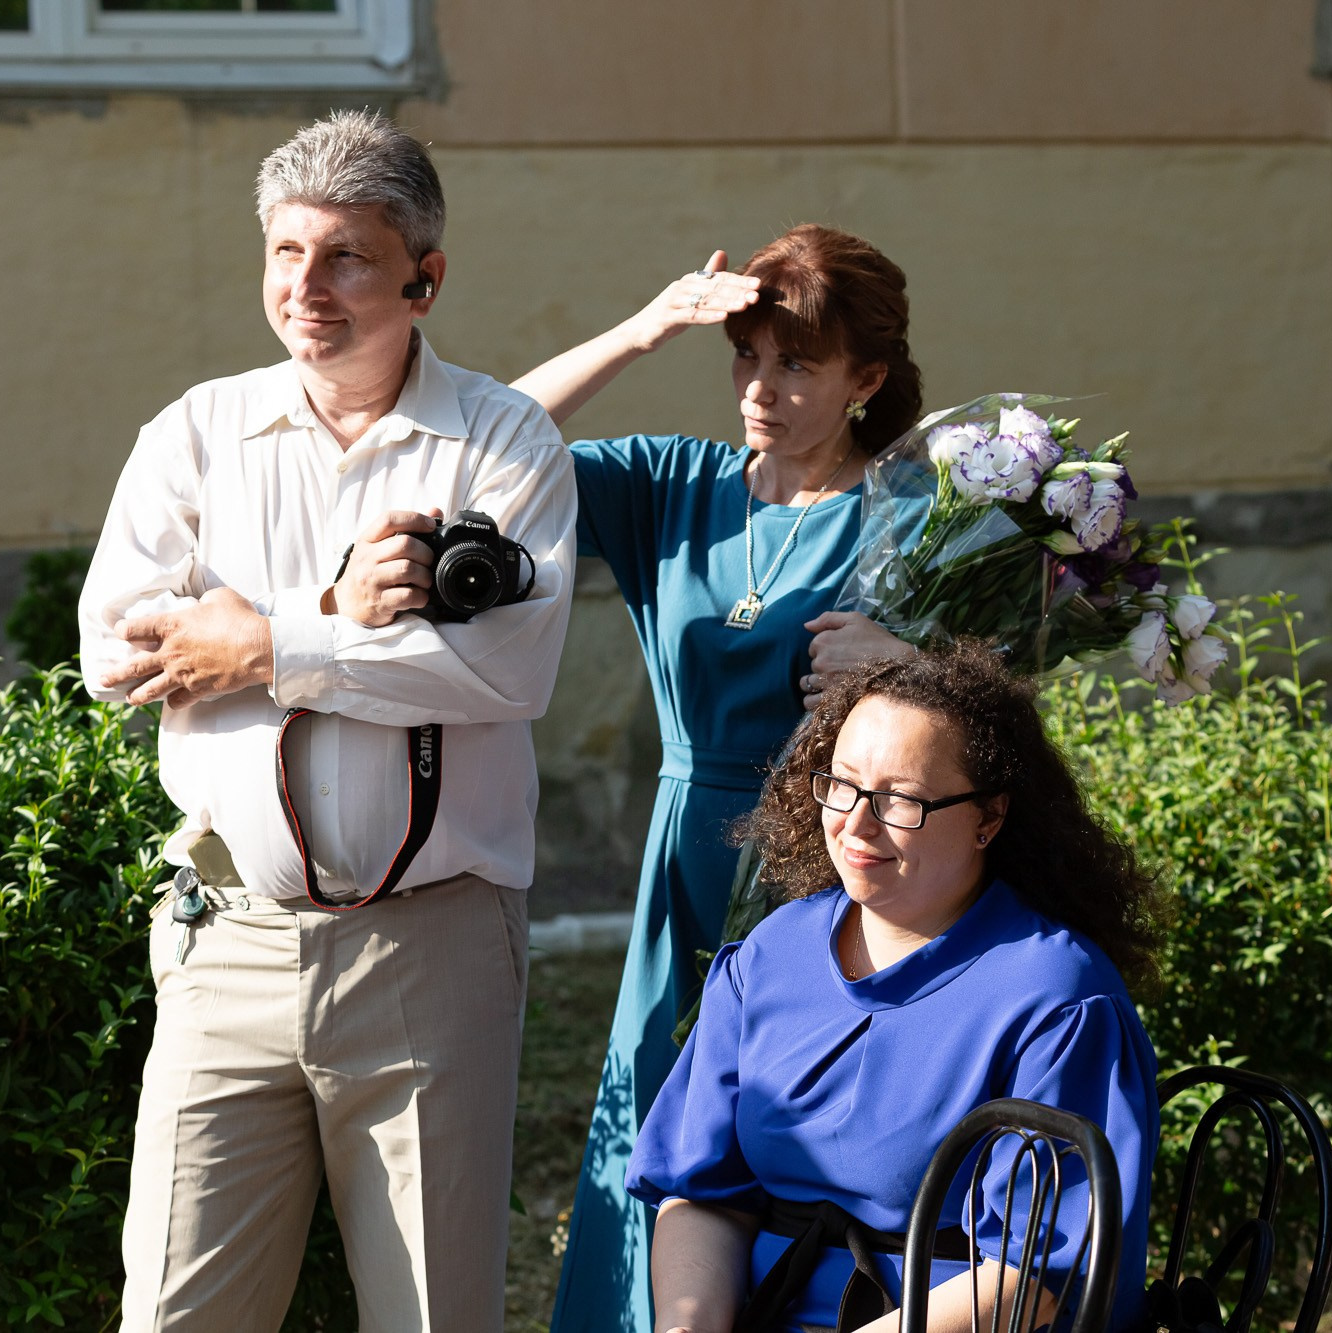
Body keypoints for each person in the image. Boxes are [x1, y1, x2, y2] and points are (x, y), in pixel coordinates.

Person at [77, 109, 576, 1332]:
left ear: (423, 277)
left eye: (347, 256)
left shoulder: (503, 441)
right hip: (225, 941)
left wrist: (253, 648)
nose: (306, 288)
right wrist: (325, 614)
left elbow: (503, 674)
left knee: (432, 1314)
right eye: (285, 252)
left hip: (433, 952)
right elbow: (115, 654)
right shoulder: (196, 432)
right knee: (175, 1313)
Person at [511, 225, 924, 1330]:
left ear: (864, 380)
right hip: (686, 850)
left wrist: (908, 665)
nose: (758, 387)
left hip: (827, 865)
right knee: (658, 1107)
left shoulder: (915, 520)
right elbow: (485, 439)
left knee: (789, 1118)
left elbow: (995, 717)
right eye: (745, 355)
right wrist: (643, 330)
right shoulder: (672, 481)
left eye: (795, 364)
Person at [625, 644, 1165, 1333]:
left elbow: (1033, 1280)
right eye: (842, 783)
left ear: (989, 818)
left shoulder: (1057, 998)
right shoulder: (771, 954)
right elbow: (704, 1191)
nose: (855, 823)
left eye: (900, 800)